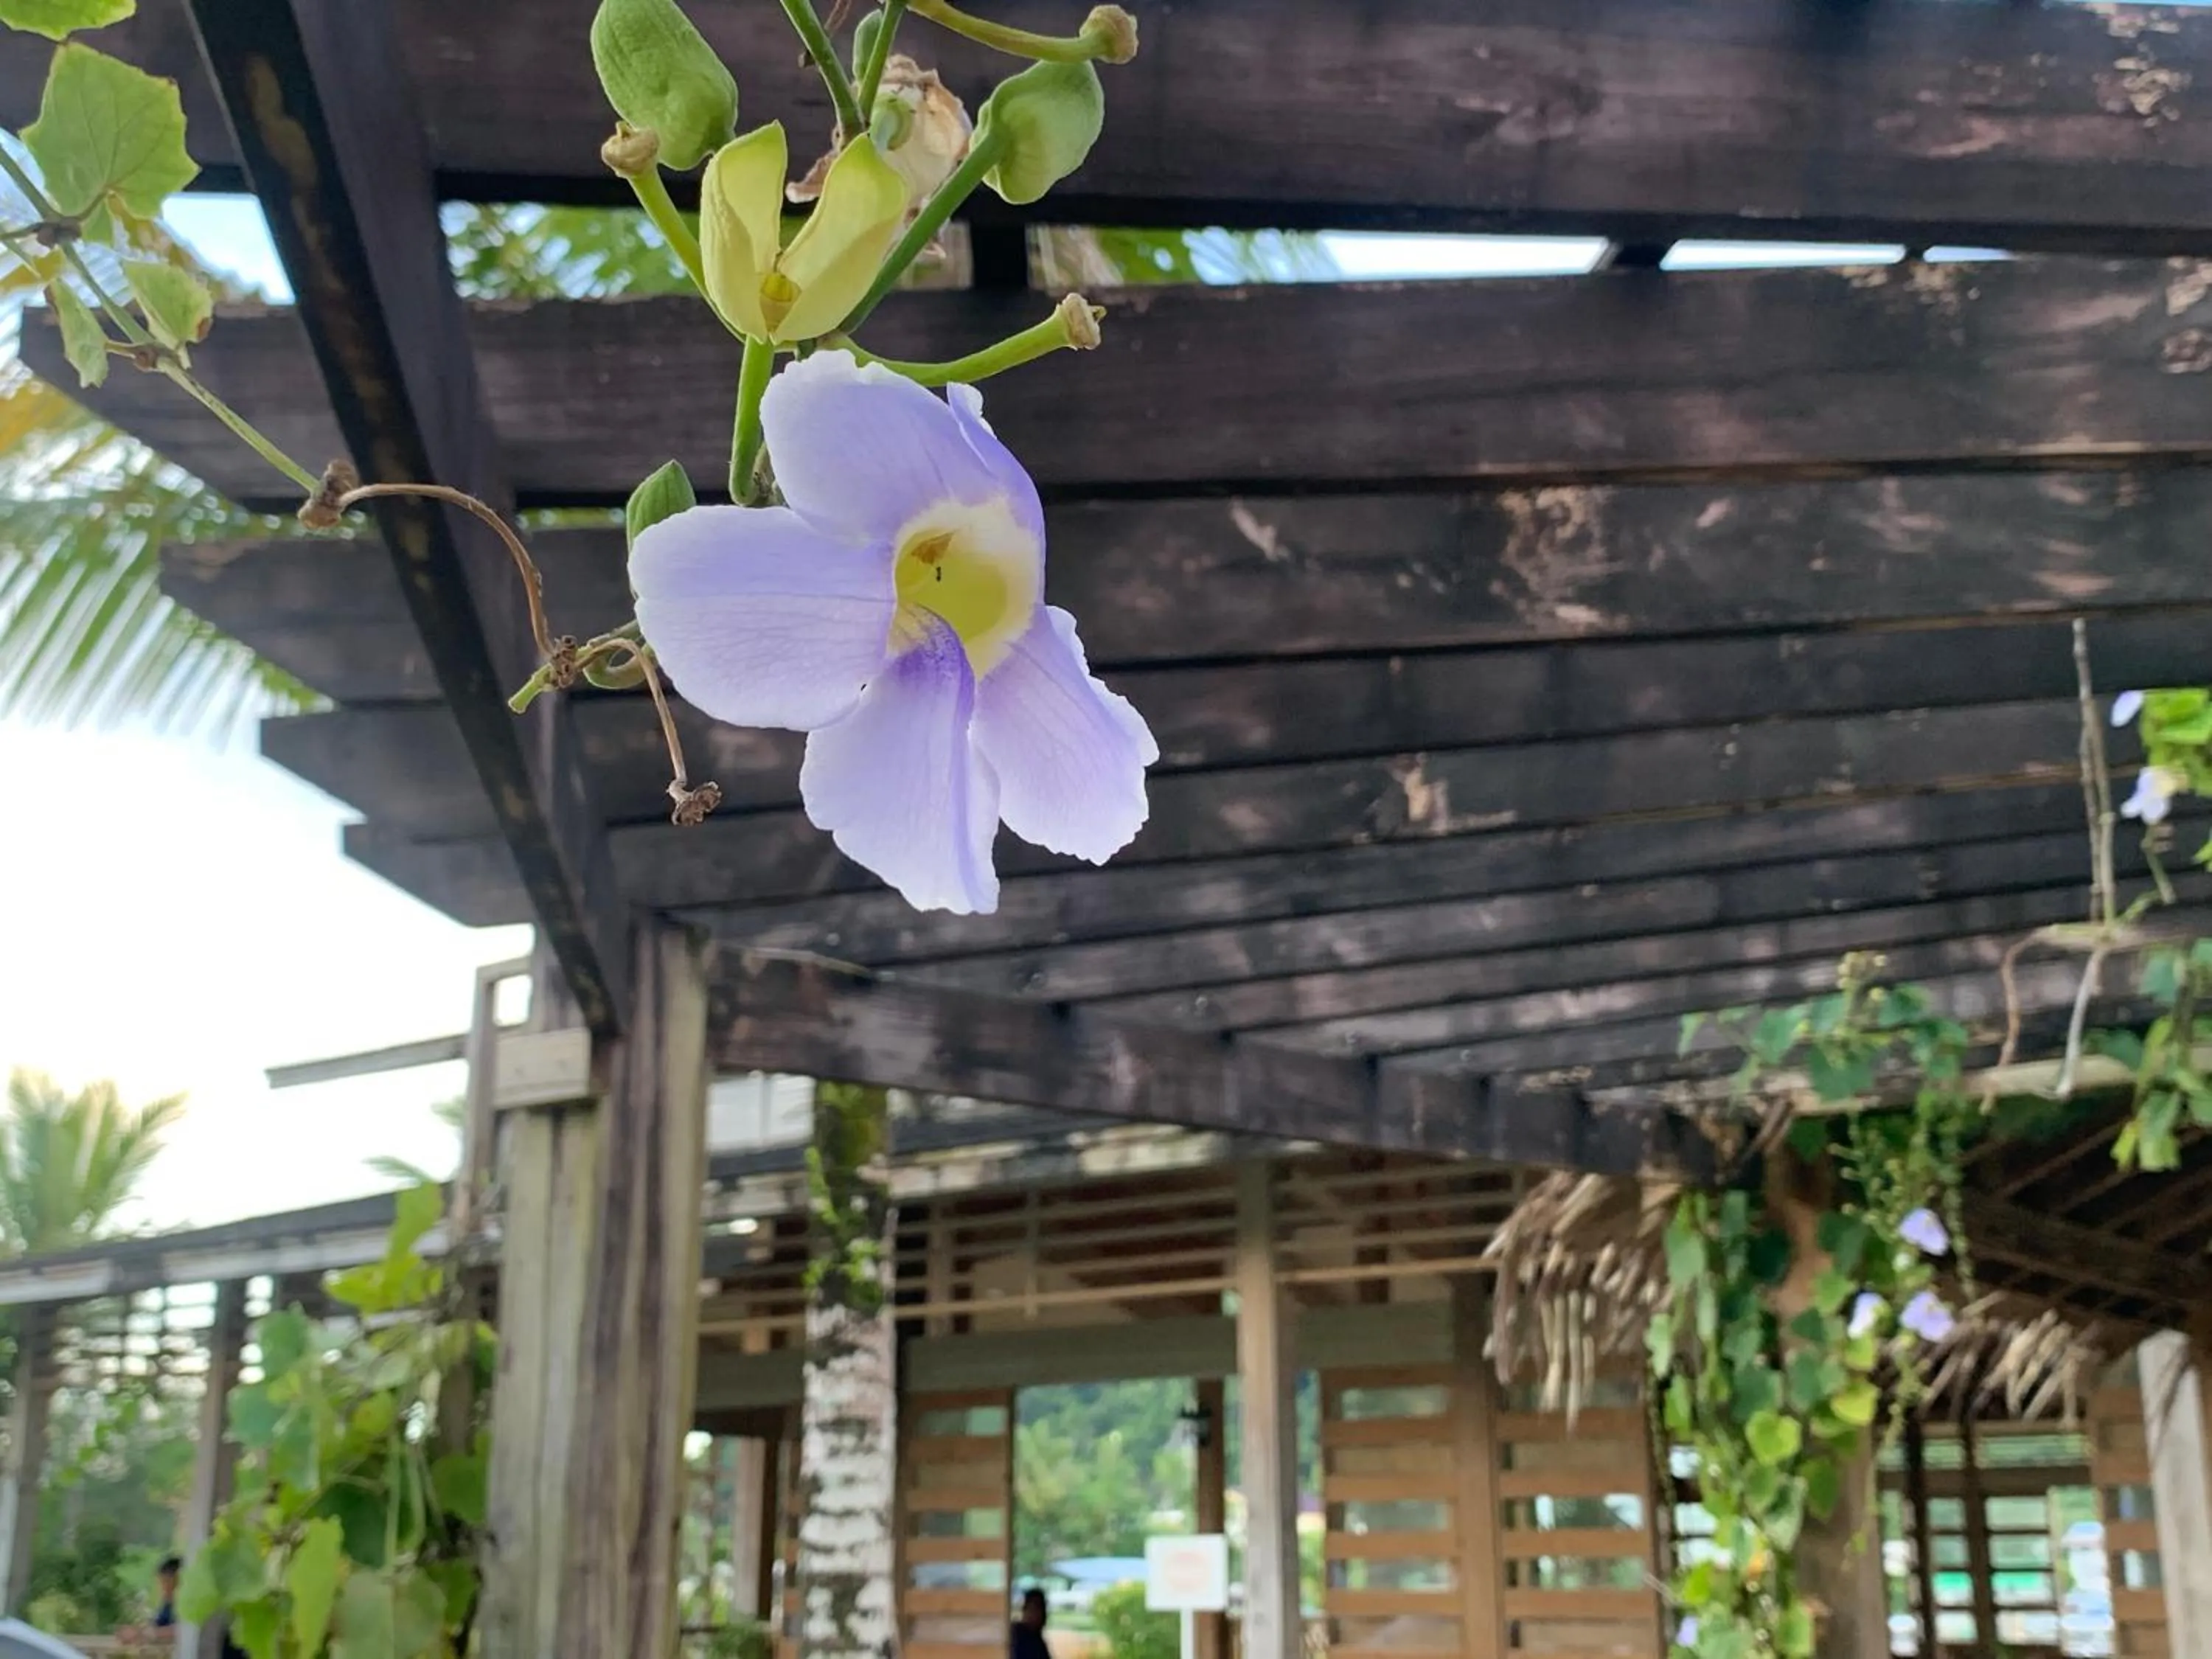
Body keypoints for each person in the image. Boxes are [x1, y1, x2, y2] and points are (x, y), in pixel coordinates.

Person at [1010, 1586, 1050, 1659]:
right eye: (1035, 1609)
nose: (1041, 1615)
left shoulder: (1035, 1638)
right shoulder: (1019, 1637)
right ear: (1025, 1610)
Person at [151, 1556, 182, 1628]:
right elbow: (158, 1625)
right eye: (161, 1583)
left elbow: (181, 1631)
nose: (163, 1588)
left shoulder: (186, 1605)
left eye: (166, 1582)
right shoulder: (167, 1606)